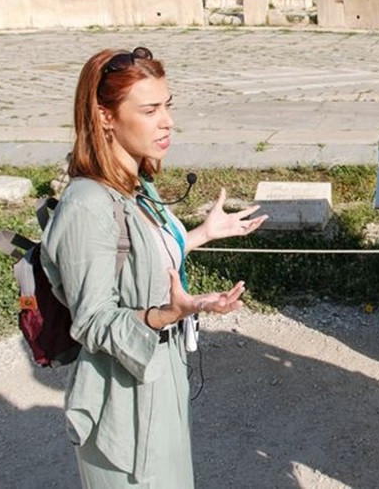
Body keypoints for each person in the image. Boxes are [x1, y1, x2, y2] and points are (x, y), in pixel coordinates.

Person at [41, 47, 267, 488]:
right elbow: (92, 321)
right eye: (149, 110)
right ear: (105, 116)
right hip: (122, 399)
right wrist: (168, 314)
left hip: (161, 372)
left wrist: (200, 234)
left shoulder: (137, 184)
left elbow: (141, 260)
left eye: (167, 105)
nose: (167, 122)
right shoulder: (87, 205)